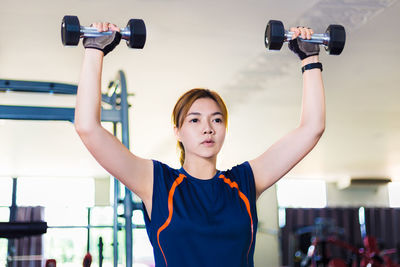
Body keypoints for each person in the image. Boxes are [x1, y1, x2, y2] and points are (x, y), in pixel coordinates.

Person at [74, 22, 325, 267]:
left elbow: (311, 129)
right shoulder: (156, 182)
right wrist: (95, 49)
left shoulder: (245, 181)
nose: (208, 128)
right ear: (178, 132)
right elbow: (88, 129)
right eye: (194, 120)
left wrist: (309, 58)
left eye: (216, 119)